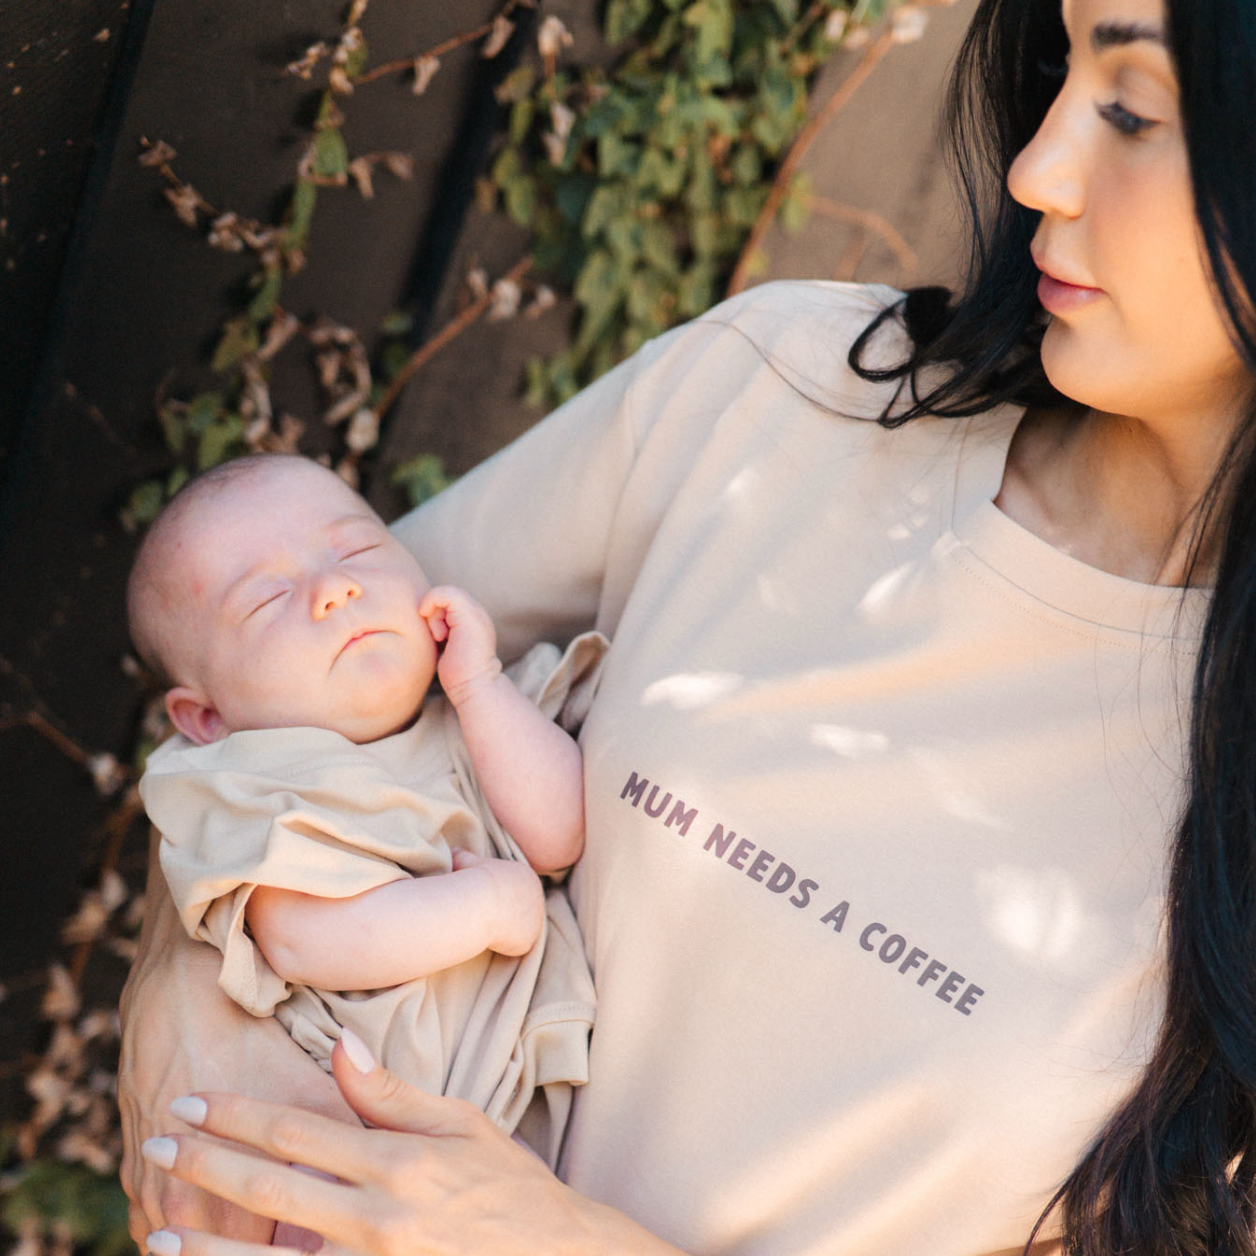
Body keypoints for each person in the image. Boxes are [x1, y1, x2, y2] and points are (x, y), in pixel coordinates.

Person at [116, 0, 1256, 1248]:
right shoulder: (789, 393)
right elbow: (279, 712)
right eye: (1058, 63)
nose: (1034, 166)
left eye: (1131, 108)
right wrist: (185, 1009)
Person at [127, 454, 598, 1163]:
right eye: (266, 600)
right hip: (362, 1132)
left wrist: (479, 686)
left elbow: (559, 835)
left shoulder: (482, 716)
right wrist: (487, 908)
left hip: (517, 1126)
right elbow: (304, 937)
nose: (335, 589)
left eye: (357, 550)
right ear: (207, 718)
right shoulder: (256, 786)